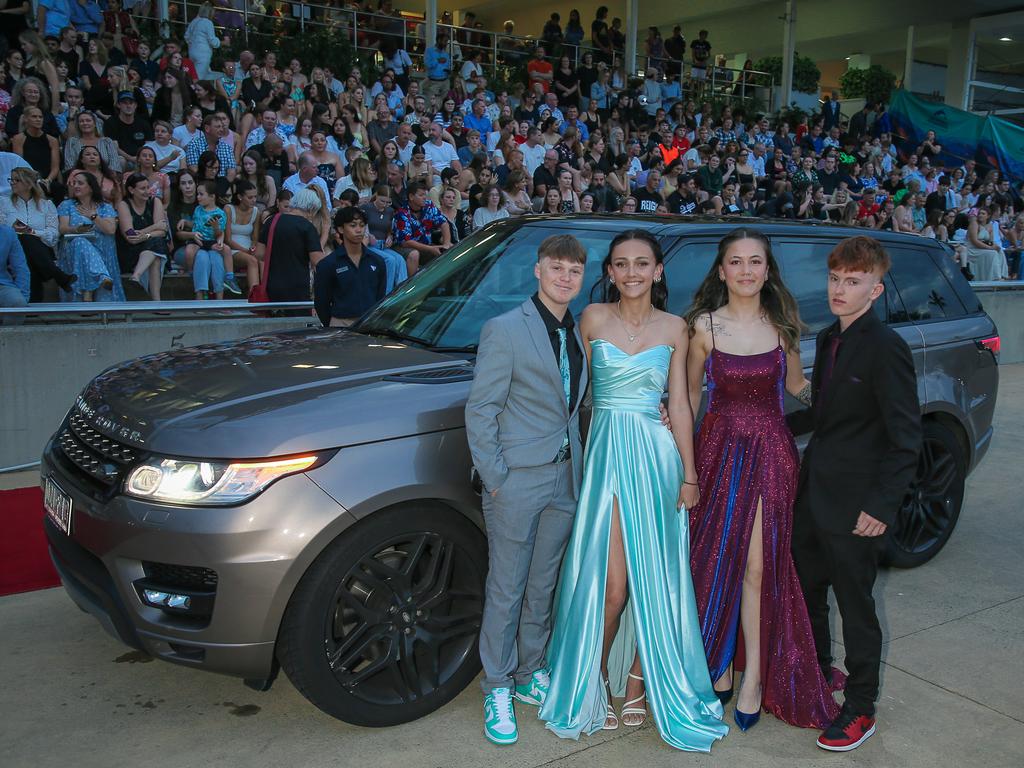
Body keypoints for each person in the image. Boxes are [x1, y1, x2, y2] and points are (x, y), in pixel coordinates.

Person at [540, 229, 728, 751]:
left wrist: (689, 473)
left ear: (658, 271)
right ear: (611, 272)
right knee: (613, 587)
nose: (631, 273)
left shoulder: (676, 329)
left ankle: (639, 683)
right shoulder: (593, 318)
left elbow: (683, 406)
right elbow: (571, 388)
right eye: (621, 264)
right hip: (606, 459)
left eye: (641, 264)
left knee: (659, 581)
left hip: (656, 459)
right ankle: (594, 678)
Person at [683, 227, 841, 732]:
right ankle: (721, 663)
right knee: (713, 561)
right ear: (722, 269)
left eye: (756, 261)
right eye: (736, 261)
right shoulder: (703, 327)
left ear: (767, 270)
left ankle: (750, 680)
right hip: (718, 453)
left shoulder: (783, 326)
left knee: (757, 566)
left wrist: (853, 405)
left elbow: (797, 387)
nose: (746, 270)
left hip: (771, 455)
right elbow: (687, 399)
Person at [788, 236, 921, 752]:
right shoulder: (828, 339)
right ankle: (822, 676)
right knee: (811, 596)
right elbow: (823, 415)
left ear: (876, 288)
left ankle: (860, 708)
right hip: (814, 496)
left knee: (857, 607)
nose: (841, 289)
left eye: (854, 281)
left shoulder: (887, 347)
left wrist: (882, 507)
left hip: (858, 508)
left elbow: (906, 438)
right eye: (836, 279)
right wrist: (765, 424)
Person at [465, 234, 591, 746]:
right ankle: (496, 683)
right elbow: (482, 409)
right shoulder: (505, 329)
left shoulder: (579, 332)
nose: (565, 278)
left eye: (574, 271)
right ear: (537, 271)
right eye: (556, 268)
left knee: (543, 584)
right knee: (507, 586)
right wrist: (495, 478)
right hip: (516, 480)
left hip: (565, 476)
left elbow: (577, 405)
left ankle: (528, 672)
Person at [0, 167, 73, 301]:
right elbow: (2, 229)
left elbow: (53, 236)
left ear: (28, 184)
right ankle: (58, 276)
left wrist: (32, 232)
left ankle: (32, 301)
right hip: (11, 249)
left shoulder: (46, 205)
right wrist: (14, 229)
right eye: (11, 179)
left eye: (17, 180)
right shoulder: (4, 203)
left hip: (42, 249)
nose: (12, 183)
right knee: (25, 243)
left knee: (28, 244)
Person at [56, 171, 124, 302]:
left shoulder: (105, 207)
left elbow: (110, 230)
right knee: (81, 242)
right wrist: (76, 229)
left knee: (85, 248)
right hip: (73, 247)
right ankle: (102, 276)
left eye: (80, 183)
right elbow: (63, 228)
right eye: (74, 183)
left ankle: (87, 294)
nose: (76, 186)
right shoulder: (67, 205)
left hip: (101, 247)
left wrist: (93, 217)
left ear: (91, 187)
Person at [313, 206, 386, 327]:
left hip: (369, 323)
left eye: (362, 225)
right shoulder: (328, 264)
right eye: (353, 225)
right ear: (341, 229)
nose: (359, 230)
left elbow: (380, 297)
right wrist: (332, 324)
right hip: (340, 322)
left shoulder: (377, 261)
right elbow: (321, 303)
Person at [256, 186, 325, 304]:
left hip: (273, 285)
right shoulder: (307, 227)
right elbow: (317, 262)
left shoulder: (272, 220)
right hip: (298, 286)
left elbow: (260, 254)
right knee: (298, 321)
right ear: (311, 209)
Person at [117, 172, 168, 300]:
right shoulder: (124, 205)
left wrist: (145, 234)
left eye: (148, 187)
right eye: (142, 188)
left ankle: (136, 277)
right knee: (156, 248)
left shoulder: (155, 201)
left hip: (151, 246)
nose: (147, 191)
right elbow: (131, 237)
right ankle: (157, 301)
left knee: (156, 247)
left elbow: (163, 232)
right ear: (131, 190)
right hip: (130, 252)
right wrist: (153, 228)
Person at [391, 180, 451, 276]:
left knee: (450, 249)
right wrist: (430, 248)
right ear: (411, 197)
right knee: (414, 254)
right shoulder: (402, 213)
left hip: (425, 245)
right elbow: (406, 242)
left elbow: (444, 223)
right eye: (421, 195)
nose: (424, 198)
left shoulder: (428, 205)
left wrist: (446, 244)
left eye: (425, 195)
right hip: (403, 247)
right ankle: (411, 287)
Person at [190, 179, 227, 299]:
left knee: (216, 260)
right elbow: (196, 227)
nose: (198, 197)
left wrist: (216, 227)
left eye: (201, 194)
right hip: (200, 244)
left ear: (212, 197)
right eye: (198, 194)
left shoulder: (220, 213)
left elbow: (219, 234)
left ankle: (219, 297)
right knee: (201, 258)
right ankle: (199, 296)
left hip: (213, 244)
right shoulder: (197, 210)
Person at [0, 223, 30, 322]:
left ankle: (9, 336)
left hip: (2, 284)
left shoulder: (8, 233)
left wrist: (23, 296)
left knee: (18, 303)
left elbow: (20, 267)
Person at [184, 3, 222, 81]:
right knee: (198, 79)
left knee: (197, 75)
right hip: (203, 55)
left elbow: (186, 36)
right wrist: (219, 42)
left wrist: (192, 44)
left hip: (192, 53)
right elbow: (213, 41)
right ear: (210, 12)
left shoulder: (194, 21)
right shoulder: (208, 23)